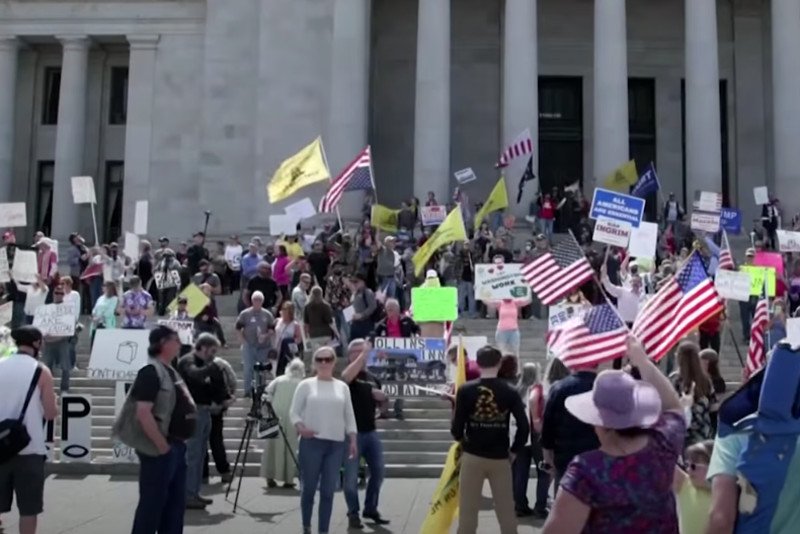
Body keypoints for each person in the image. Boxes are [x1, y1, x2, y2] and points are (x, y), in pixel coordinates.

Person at [543, 337, 686, 533]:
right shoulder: (663, 444)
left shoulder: (586, 470)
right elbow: (674, 407)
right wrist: (642, 361)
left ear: (597, 421)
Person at [114, 325, 198, 534]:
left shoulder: (170, 370)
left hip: (176, 446)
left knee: (174, 508)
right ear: (163, 343)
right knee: (152, 506)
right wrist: (162, 446)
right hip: (159, 449)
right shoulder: (150, 372)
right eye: (175, 339)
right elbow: (143, 412)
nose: (179, 344)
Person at [451, 345, 529, 534]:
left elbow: (456, 427)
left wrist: (463, 441)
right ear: (499, 363)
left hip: (473, 455)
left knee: (467, 512)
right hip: (500, 457)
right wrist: (514, 451)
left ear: (477, 363)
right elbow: (524, 426)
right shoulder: (510, 391)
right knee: (506, 511)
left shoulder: (465, 390)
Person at [290, 346, 358, 534]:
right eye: (319, 359)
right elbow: (294, 412)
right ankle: (306, 526)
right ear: (314, 363)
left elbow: (349, 415)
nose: (324, 363)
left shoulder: (342, 387)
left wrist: (353, 439)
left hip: (336, 444)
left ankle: (323, 530)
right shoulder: (306, 385)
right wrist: (301, 428)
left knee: (328, 492)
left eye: (328, 359)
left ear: (334, 362)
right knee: (309, 489)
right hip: (312, 442)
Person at [0, 326, 58, 534]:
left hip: (0, 447)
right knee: (28, 510)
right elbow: (50, 413)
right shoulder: (41, 371)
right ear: (36, 343)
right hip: (30, 447)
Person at [341, 340, 391, 528]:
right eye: (356, 352)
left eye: (362, 351)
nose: (360, 355)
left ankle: (370, 508)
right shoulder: (346, 375)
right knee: (350, 478)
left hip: (371, 432)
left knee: (378, 472)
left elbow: (381, 402)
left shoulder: (372, 377)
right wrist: (364, 354)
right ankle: (353, 512)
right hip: (351, 435)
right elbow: (346, 378)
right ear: (349, 355)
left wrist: (384, 404)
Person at [176, 333, 229, 509]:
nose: (213, 355)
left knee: (199, 455)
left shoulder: (206, 364)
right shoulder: (188, 361)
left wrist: (223, 398)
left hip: (205, 411)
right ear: (203, 348)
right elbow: (194, 375)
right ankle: (187, 494)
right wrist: (212, 368)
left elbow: (211, 386)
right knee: (193, 454)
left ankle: (194, 492)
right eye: (212, 351)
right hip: (192, 411)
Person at [541, 363, 600, 489]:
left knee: (564, 493)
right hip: (597, 455)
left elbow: (548, 424)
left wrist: (547, 456)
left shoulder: (559, 388)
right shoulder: (604, 388)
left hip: (565, 454)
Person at [261, 357, 305, 489]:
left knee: (271, 446)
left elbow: (266, 394)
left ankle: (269, 477)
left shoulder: (279, 379)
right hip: (293, 417)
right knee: (290, 446)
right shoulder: (302, 383)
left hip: (274, 414)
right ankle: (288, 479)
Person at [670, 341, 716, 446]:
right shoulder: (706, 380)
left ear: (679, 358)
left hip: (681, 433)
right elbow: (713, 407)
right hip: (703, 434)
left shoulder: (674, 380)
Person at [235, 291, 275, 396]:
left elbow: (272, 330)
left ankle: (261, 389)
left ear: (262, 301)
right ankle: (247, 390)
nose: (257, 302)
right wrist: (243, 341)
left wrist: (265, 336)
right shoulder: (245, 314)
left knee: (261, 369)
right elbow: (238, 328)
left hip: (263, 346)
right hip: (249, 345)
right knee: (248, 368)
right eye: (255, 300)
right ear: (252, 301)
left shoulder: (267, 314)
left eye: (259, 300)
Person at [673, 439, 714, 534]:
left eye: (693, 466)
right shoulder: (684, 484)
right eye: (687, 465)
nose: (688, 470)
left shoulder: (726, 494)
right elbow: (662, 459)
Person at [40, 285, 73, 392]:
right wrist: (45, 338)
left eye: (61, 293)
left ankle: (64, 389)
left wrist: (57, 337)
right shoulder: (45, 309)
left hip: (62, 341)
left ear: (64, 295)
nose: (58, 295)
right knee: (46, 367)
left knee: (65, 366)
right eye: (56, 293)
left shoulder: (68, 310)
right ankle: (47, 389)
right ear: (53, 293)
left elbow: (69, 329)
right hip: (48, 342)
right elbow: (41, 326)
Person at [303, 286, 338, 355]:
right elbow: (330, 322)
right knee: (327, 354)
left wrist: (306, 336)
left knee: (317, 355)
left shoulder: (307, 307)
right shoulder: (326, 306)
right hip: (326, 334)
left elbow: (306, 324)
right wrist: (337, 333)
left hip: (314, 335)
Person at [273, 302, 303, 377]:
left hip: (287, 350)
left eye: (286, 311)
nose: (284, 313)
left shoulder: (295, 324)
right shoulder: (277, 321)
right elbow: (272, 332)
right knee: (275, 370)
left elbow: (299, 338)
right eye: (283, 310)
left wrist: (291, 342)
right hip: (277, 348)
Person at [349, 273, 378, 340]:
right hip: (355, 324)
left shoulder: (367, 292)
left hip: (365, 324)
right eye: (353, 282)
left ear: (363, 282)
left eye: (356, 281)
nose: (354, 284)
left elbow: (373, 306)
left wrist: (362, 315)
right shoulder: (354, 293)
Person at [90, 281, 118, 346]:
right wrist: (94, 315)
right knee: (94, 344)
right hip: (96, 324)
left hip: (106, 324)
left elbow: (110, 311)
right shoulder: (100, 298)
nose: (102, 287)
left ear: (109, 288)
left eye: (104, 286)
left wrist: (99, 317)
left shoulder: (114, 299)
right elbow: (95, 308)